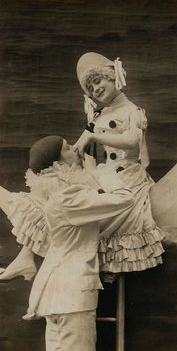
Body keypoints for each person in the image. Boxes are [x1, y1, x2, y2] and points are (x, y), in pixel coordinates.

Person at [0, 135, 135, 351]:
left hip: (58, 297)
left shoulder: (57, 194)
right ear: (57, 164)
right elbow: (125, 198)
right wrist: (101, 171)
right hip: (71, 299)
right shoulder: (68, 198)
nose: (75, 148)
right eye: (67, 148)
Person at [74, 52, 164, 273]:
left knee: (104, 220)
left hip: (129, 176)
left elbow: (132, 141)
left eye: (98, 81)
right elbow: (78, 149)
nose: (96, 90)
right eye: (91, 88)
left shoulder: (132, 111)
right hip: (106, 175)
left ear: (112, 77)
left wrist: (94, 136)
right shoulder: (98, 116)